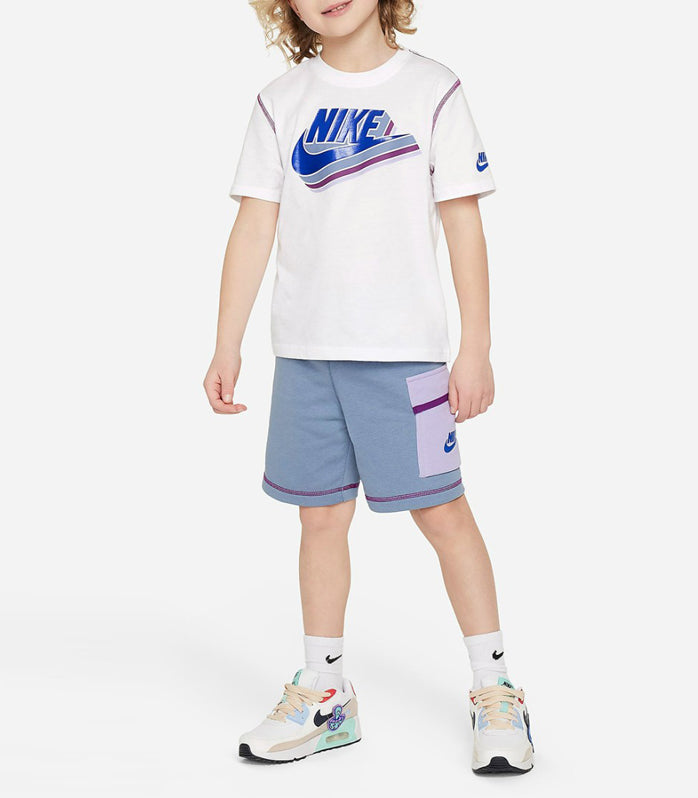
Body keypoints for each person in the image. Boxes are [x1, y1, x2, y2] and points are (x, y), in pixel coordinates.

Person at [204, 0, 534, 774]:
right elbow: (254, 225)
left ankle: (496, 688)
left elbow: (463, 223)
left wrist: (476, 348)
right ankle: (326, 693)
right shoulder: (280, 102)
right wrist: (226, 342)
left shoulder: (433, 90)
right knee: (319, 518)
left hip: (404, 359)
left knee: (443, 513)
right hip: (305, 355)